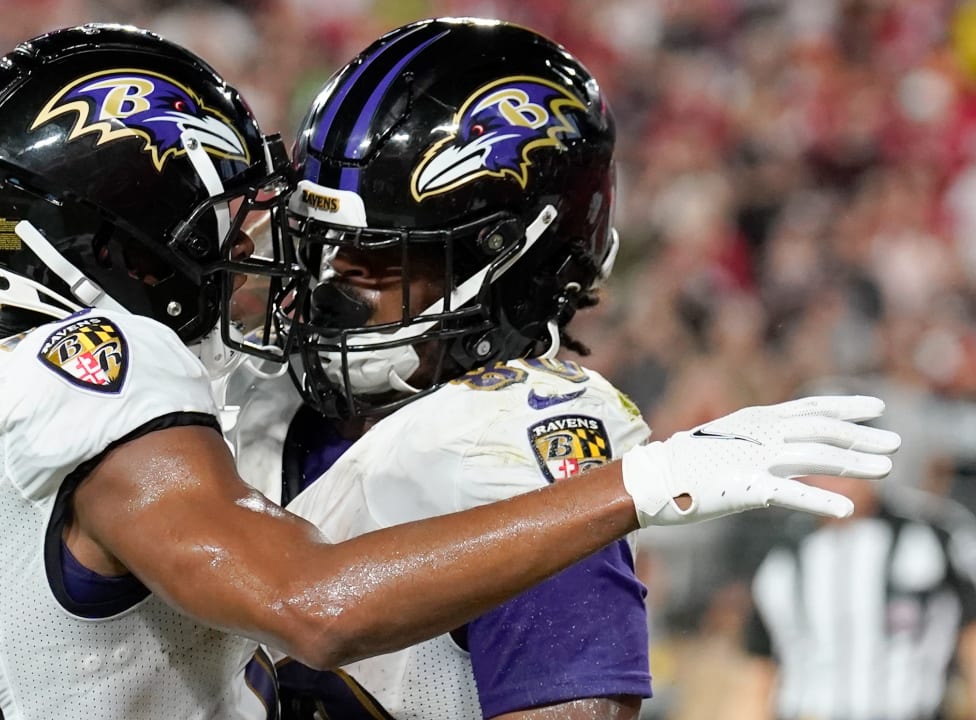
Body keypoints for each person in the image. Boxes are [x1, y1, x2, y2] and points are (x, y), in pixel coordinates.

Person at [0, 22, 899, 720]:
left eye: (373, 257)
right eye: (209, 226)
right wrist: (627, 487)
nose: (295, 274)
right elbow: (312, 603)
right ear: (114, 247)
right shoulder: (112, 375)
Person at [219, 18, 884, 719]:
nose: (328, 286)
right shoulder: (246, 403)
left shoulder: (513, 455)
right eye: (321, 245)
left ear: (513, 265)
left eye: (379, 257)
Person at [740, 399, 976, 720]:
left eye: (848, 460)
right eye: (824, 462)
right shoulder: (782, 557)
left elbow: (970, 633)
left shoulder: (931, 538)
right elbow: (761, 665)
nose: (837, 475)